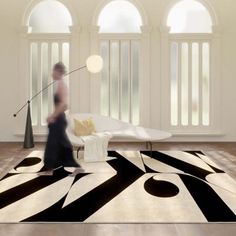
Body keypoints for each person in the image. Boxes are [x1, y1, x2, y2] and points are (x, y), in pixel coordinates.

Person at [42, 62, 82, 175]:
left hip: (58, 119)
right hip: (58, 118)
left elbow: (64, 104)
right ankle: (57, 167)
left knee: (54, 143)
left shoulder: (61, 84)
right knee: (61, 143)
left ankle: (49, 169)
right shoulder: (59, 84)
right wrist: (53, 115)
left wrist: (53, 116)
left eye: (53, 70)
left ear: (58, 72)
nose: (51, 73)